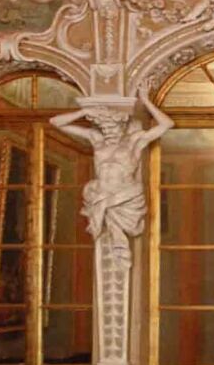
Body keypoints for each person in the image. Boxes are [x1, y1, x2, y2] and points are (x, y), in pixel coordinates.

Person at [49, 86, 173, 267]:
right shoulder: (95, 138)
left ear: (122, 126)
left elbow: (166, 124)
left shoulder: (134, 141)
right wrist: (84, 111)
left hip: (124, 195)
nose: (108, 132)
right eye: (104, 128)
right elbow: (55, 122)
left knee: (116, 235)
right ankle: (118, 254)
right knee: (108, 235)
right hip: (99, 194)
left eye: (112, 128)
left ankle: (120, 254)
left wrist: (146, 101)